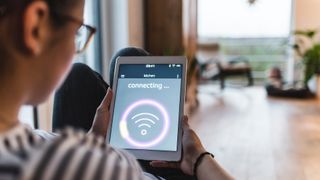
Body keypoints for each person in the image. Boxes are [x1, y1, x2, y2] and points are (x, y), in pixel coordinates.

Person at [0, 0, 233, 179]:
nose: (75, 48)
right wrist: (198, 158)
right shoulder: (111, 169)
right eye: (77, 33)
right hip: (154, 171)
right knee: (128, 58)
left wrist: (93, 141)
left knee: (81, 73)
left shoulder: (30, 145)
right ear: (34, 26)